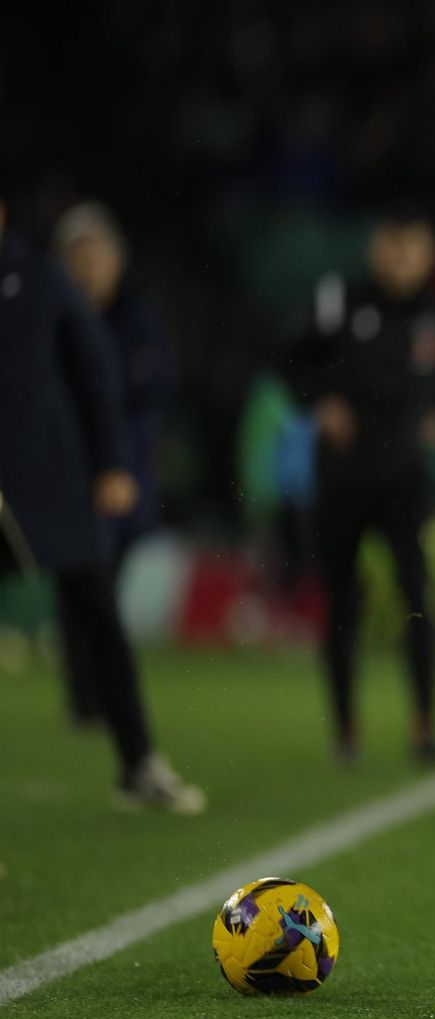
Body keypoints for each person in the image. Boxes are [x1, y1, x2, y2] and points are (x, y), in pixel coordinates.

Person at [0, 192, 204, 813]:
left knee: (99, 617)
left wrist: (111, 462)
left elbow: (95, 370)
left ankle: (139, 763)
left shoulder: (38, 280)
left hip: (51, 481)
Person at [282, 203, 435, 766]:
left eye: (412, 246)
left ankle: (425, 728)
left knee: (417, 600)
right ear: (376, 246)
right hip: (343, 477)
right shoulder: (338, 301)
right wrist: (320, 403)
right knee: (341, 604)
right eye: (392, 245)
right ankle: (345, 731)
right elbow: (287, 359)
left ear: (428, 253)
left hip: (406, 479)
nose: (400, 258)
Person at [52, 201, 176, 729]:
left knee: (106, 581)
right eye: (77, 254)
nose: (88, 265)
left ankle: (97, 690)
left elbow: (154, 390)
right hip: (65, 473)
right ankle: (86, 695)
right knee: (78, 583)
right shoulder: (50, 319)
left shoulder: (140, 320)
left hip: (124, 475)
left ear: (117, 260)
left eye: (96, 253)